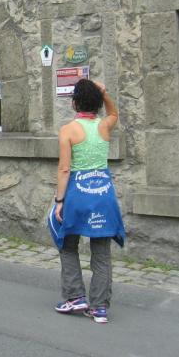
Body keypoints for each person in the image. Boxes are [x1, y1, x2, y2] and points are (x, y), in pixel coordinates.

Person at [52, 79, 125, 324]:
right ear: (97, 103)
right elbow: (114, 113)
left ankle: (75, 296)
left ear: (74, 103)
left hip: (78, 196)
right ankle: (100, 307)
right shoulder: (104, 126)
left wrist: (59, 200)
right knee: (102, 254)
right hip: (104, 196)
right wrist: (104, 93)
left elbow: (64, 169)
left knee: (67, 244)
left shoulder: (68, 130)